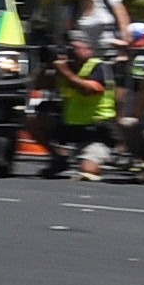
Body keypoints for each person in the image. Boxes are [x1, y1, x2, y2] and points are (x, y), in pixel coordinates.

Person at [41, 28, 115, 178]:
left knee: (88, 171)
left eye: (74, 48)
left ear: (88, 48)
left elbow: (90, 89)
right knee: (33, 119)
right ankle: (59, 156)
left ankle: (95, 157)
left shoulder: (98, 66)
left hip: (96, 130)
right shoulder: (64, 67)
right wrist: (47, 66)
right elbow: (38, 84)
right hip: (72, 128)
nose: (70, 52)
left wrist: (65, 72)